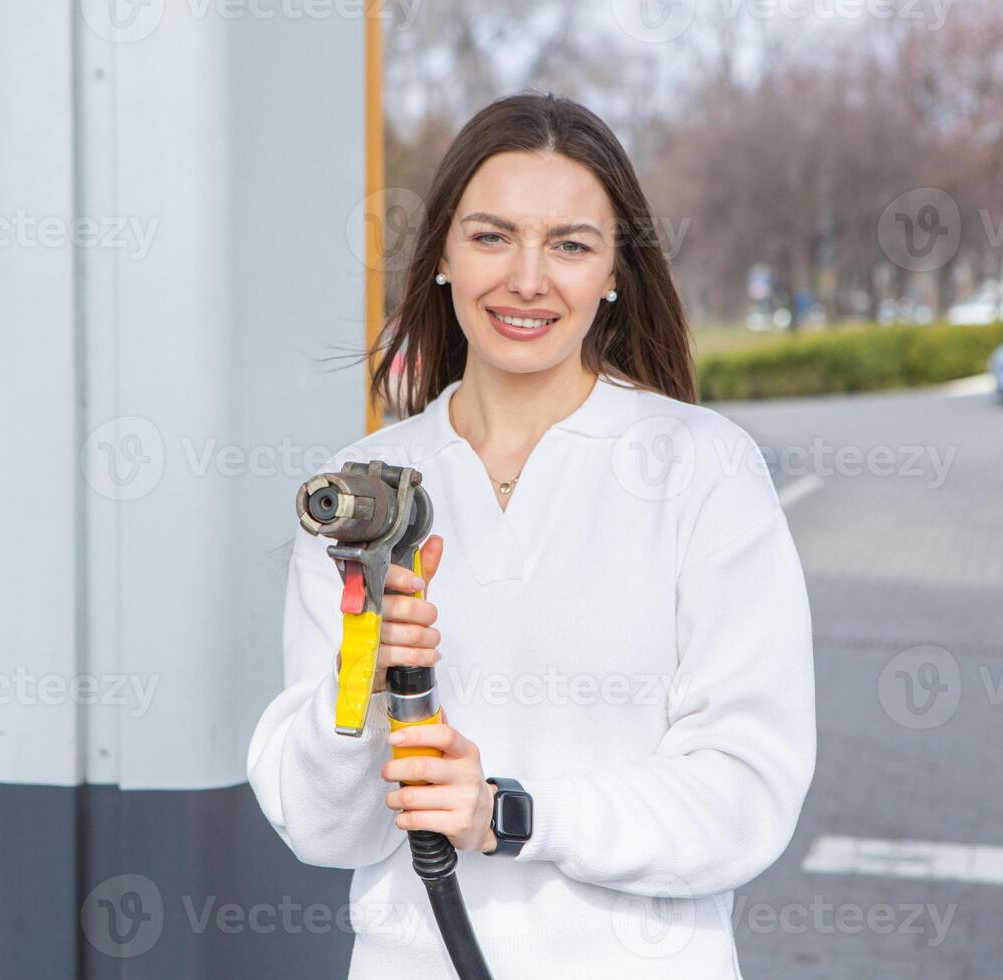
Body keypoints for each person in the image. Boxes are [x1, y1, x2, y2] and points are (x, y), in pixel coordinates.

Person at [246, 91, 816, 979]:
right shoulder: (367, 489)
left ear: (616, 271)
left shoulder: (703, 467)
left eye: (571, 245)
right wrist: (360, 677)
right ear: (442, 252)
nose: (526, 278)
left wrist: (512, 814)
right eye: (491, 235)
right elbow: (322, 828)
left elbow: (748, 792)